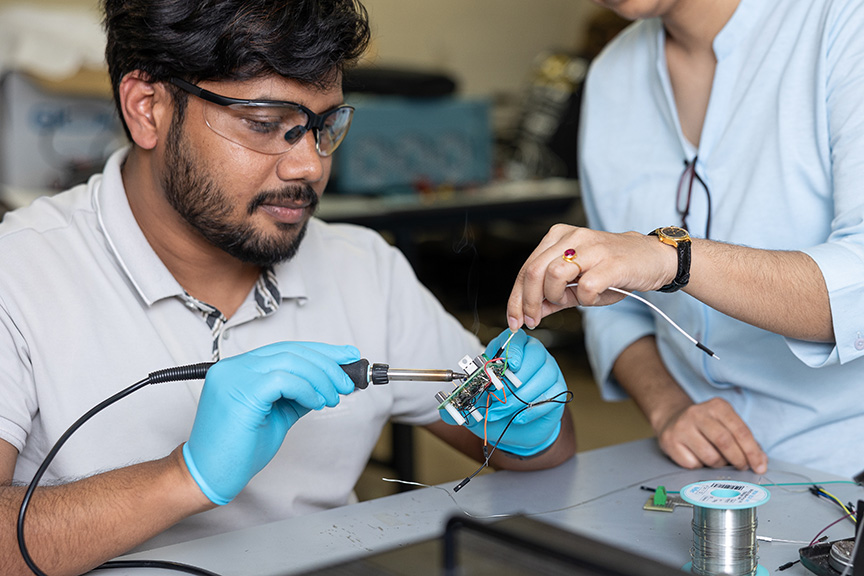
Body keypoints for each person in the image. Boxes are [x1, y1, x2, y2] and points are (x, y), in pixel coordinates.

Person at [0, 1, 575, 574]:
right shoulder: (21, 272)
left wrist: (530, 423)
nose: (309, 167)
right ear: (147, 107)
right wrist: (183, 477)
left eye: (324, 126)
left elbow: (537, 457)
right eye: (265, 125)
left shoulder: (361, 267)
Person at [507, 0, 864, 479]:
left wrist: (670, 257)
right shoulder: (613, 73)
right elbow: (619, 307)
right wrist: (668, 406)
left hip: (845, 463)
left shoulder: (841, 22)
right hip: (703, 474)